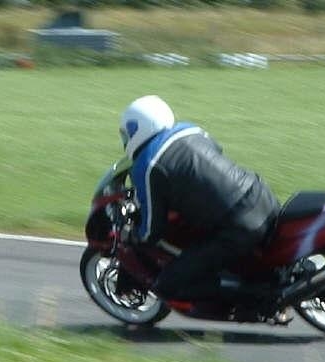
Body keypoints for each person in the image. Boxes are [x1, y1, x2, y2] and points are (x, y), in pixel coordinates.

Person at [119, 95, 290, 323]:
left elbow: (152, 230)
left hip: (239, 225)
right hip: (262, 194)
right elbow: (215, 153)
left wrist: (134, 235)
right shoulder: (191, 130)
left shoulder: (148, 165)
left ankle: (262, 301)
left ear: (137, 128)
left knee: (169, 285)